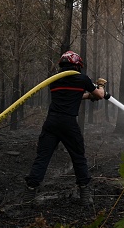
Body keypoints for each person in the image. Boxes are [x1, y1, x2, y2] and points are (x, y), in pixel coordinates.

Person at [23, 50, 106, 207]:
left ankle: (29, 193)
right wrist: (100, 85)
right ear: (77, 66)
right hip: (68, 124)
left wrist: (88, 96)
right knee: (78, 156)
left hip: (51, 122)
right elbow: (100, 95)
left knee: (42, 157)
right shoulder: (82, 79)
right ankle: (85, 194)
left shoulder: (54, 81)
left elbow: (70, 95)